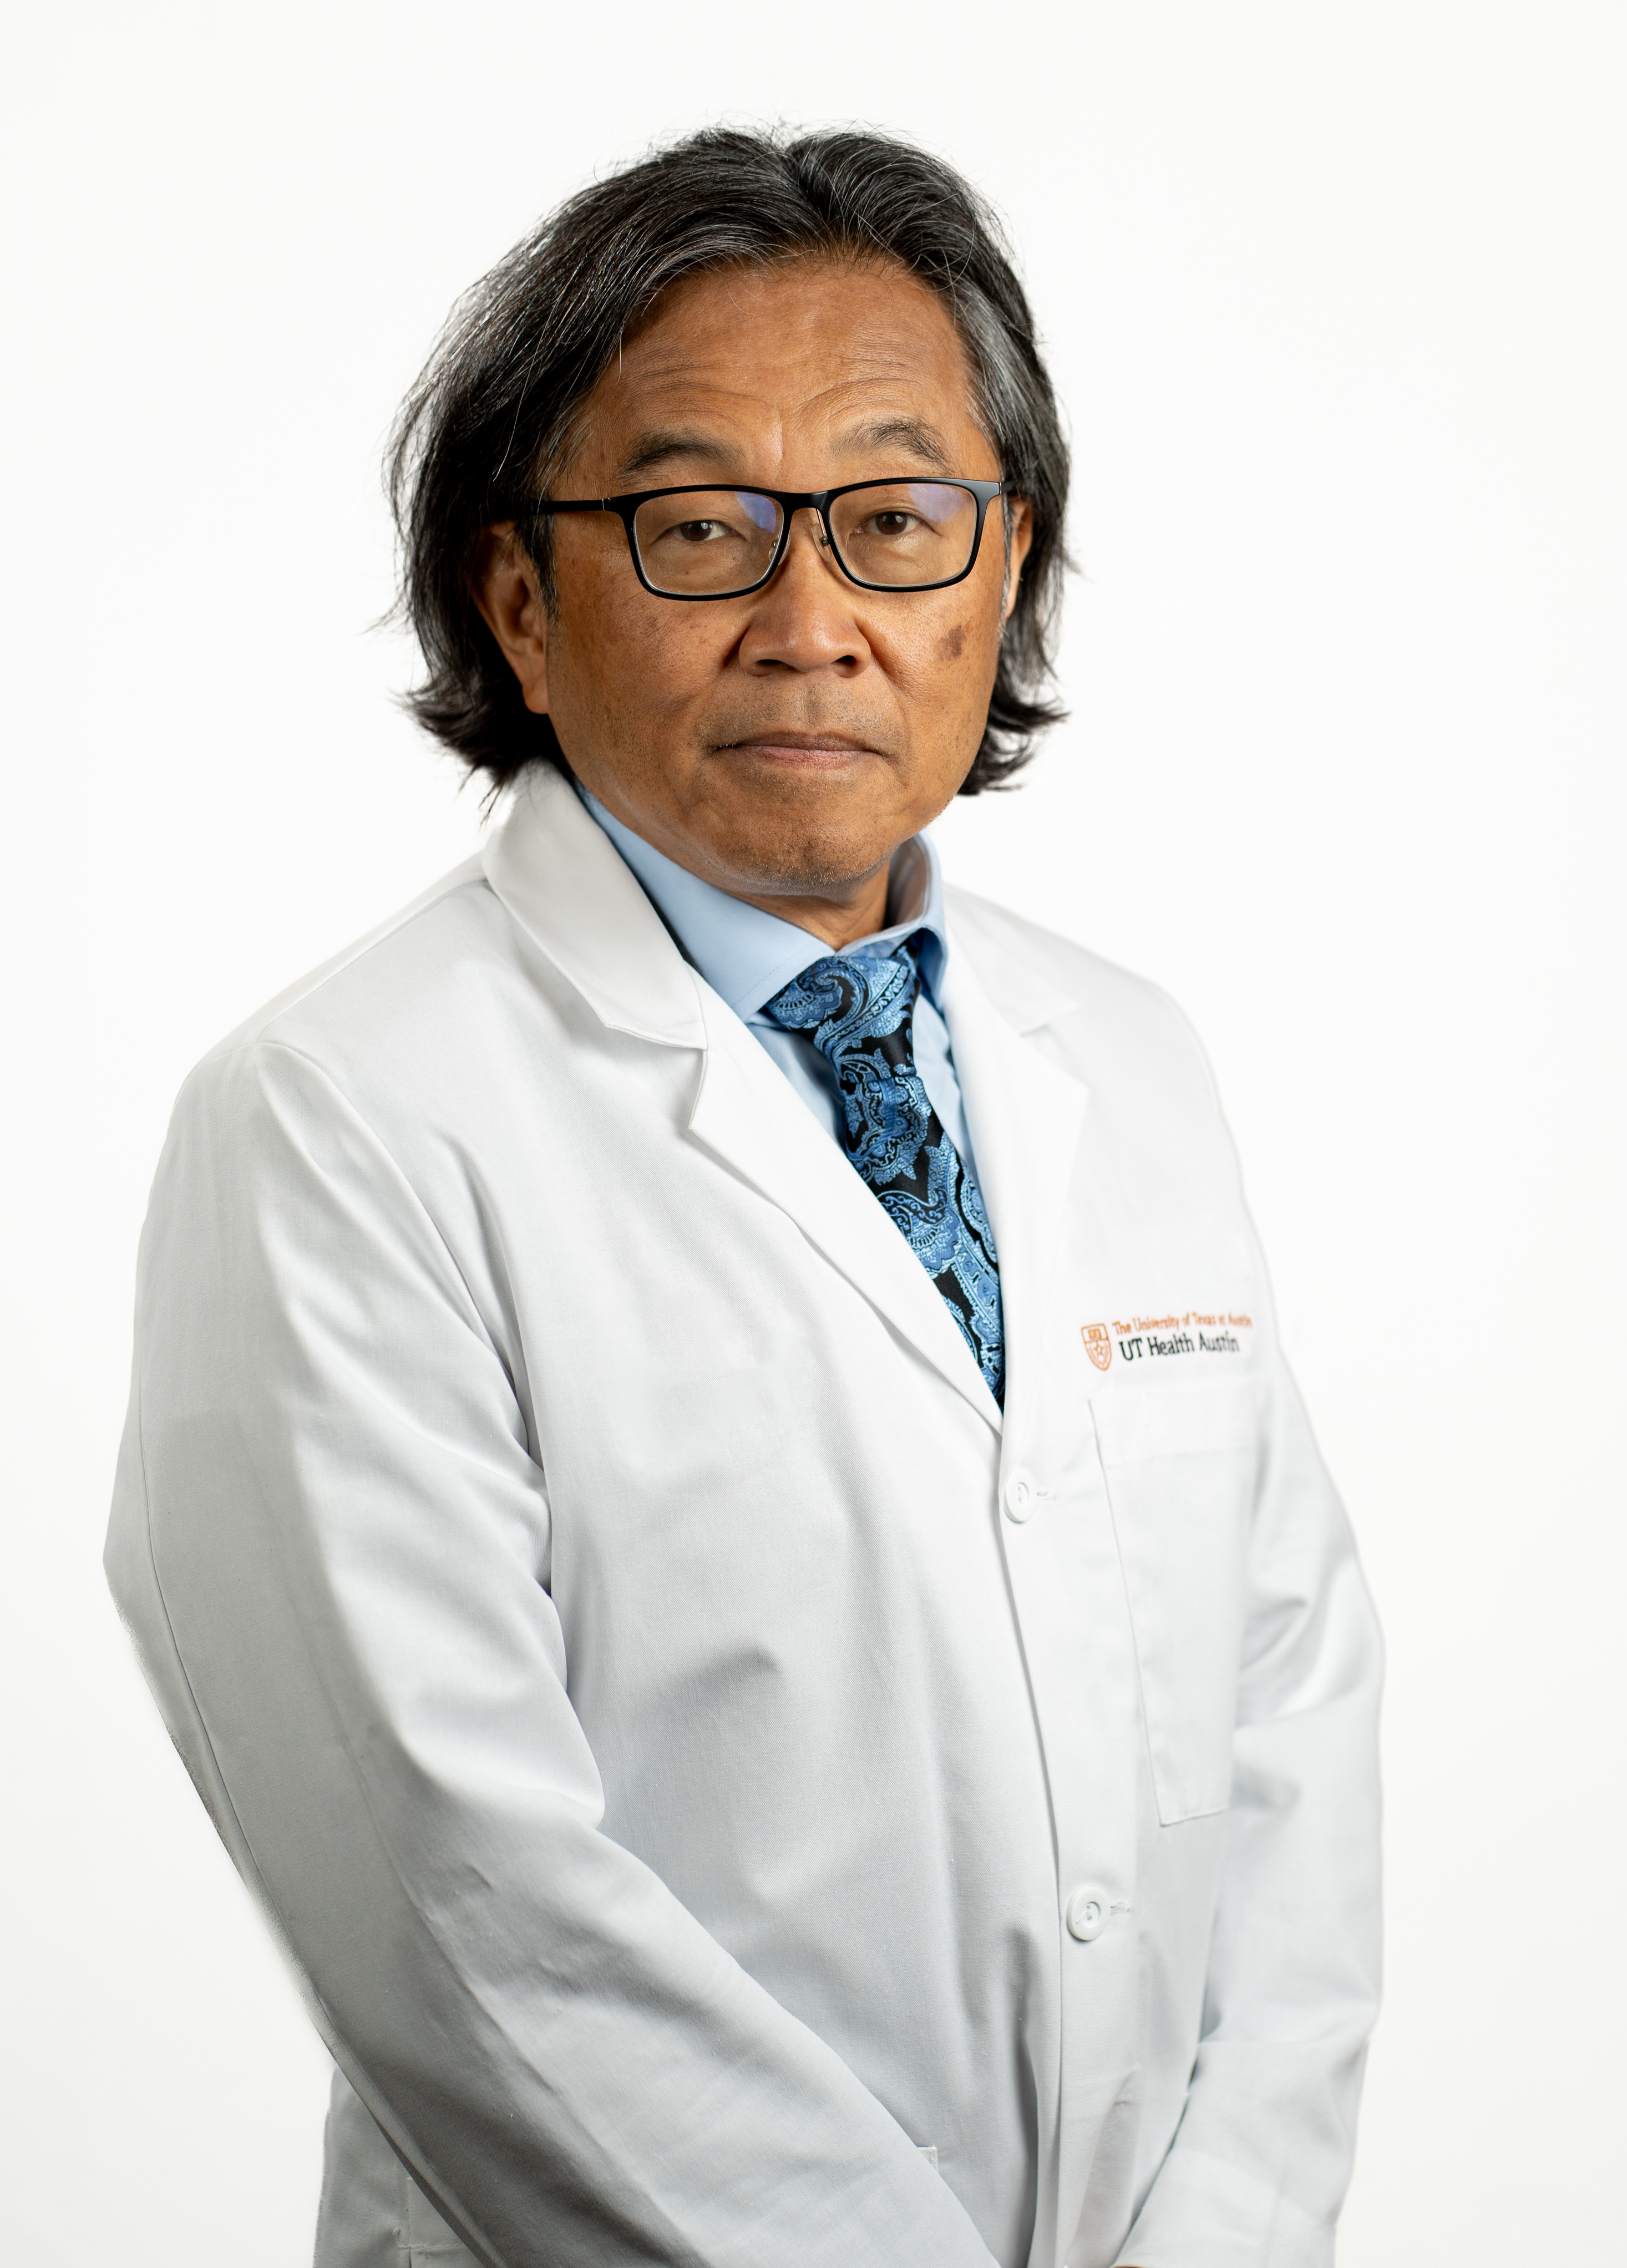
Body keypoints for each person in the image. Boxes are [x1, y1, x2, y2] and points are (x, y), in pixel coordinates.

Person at [105, 127, 1382, 2268]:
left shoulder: (1128, 1057)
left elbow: (1295, 1720)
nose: (813, 624)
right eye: (700, 529)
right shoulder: (338, 1120)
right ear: (517, 595)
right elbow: (465, 1905)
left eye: (894, 522)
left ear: (1003, 564)